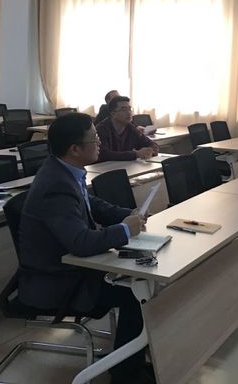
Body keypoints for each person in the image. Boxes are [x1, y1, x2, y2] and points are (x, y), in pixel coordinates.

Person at [18, 113, 151, 384]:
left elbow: (93, 205)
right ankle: (125, 375)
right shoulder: (55, 185)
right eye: (95, 139)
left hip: (74, 269)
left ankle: (132, 360)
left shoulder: (65, 170)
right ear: (75, 149)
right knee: (140, 295)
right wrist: (125, 230)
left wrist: (127, 214)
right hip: (58, 280)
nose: (100, 143)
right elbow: (80, 243)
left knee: (143, 283)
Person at [95, 96, 159, 162]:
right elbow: (104, 154)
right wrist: (136, 154)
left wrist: (151, 149)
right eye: (124, 109)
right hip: (104, 166)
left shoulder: (130, 127)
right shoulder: (102, 129)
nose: (129, 113)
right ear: (113, 114)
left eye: (130, 109)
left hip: (125, 165)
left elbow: (149, 143)